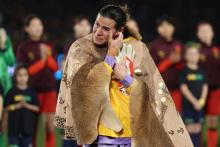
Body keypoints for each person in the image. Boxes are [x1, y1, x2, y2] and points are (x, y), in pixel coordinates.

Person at [54, 5, 193, 147]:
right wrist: (111, 56)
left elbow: (149, 90)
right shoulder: (82, 47)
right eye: (97, 24)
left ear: (120, 30)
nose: (98, 32)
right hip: (100, 134)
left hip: (130, 133)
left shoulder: (137, 48)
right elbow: (84, 90)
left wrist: (126, 78)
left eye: (106, 29)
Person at [16, 15, 58, 147]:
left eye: (39, 24)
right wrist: (42, 61)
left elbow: (55, 67)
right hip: (32, 91)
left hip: (49, 91)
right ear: (27, 29)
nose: (38, 28)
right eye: (34, 25)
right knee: (31, 127)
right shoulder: (23, 47)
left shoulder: (48, 45)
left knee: (50, 128)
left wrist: (47, 57)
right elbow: (25, 72)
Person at [150, 15, 184, 112]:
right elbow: (152, 69)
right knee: (163, 120)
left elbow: (185, 67)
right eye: (162, 26)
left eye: (168, 25)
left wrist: (179, 63)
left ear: (173, 27)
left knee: (177, 120)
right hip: (160, 90)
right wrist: (169, 61)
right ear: (158, 29)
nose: (165, 28)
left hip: (177, 90)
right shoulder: (155, 46)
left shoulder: (179, 45)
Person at [196, 21, 220, 147]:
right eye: (202, 31)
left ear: (212, 33)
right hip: (197, 92)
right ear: (198, 35)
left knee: (212, 122)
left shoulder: (217, 50)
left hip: (215, 92)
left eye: (208, 31)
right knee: (196, 122)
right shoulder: (195, 51)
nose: (205, 34)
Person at [180, 42, 208, 147]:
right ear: (186, 56)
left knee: (198, 128)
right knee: (190, 129)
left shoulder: (202, 71)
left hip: (199, 106)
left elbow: (205, 87)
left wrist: (202, 101)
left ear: (198, 56)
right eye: (190, 54)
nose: (193, 56)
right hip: (189, 106)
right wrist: (194, 102)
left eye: (195, 54)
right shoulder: (184, 72)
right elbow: (184, 88)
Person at [4, 65, 40, 147]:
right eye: (19, 75)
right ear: (16, 76)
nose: (22, 78)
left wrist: (26, 105)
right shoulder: (11, 91)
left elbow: (37, 108)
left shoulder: (32, 92)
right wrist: (16, 106)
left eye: (24, 75)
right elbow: (6, 108)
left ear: (28, 76)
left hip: (27, 131)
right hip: (13, 131)